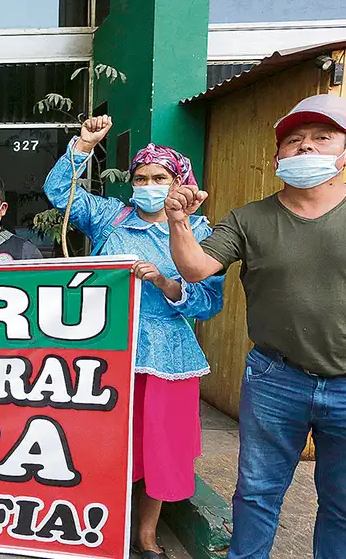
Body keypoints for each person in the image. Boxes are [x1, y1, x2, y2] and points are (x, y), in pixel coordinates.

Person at [165, 94, 346, 559]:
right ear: (276, 158)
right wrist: (178, 221)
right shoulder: (249, 219)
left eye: (322, 137)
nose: (306, 147)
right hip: (276, 379)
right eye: (294, 140)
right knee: (256, 496)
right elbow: (196, 268)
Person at [44, 115, 224, 558]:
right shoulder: (110, 217)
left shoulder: (200, 232)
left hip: (168, 355)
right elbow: (59, 192)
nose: (148, 186)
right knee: (104, 443)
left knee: (160, 448)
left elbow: (208, 302)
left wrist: (165, 282)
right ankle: (101, 525)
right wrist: (83, 146)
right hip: (107, 350)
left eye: (159, 178)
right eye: (140, 178)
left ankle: (145, 534)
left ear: (179, 182)